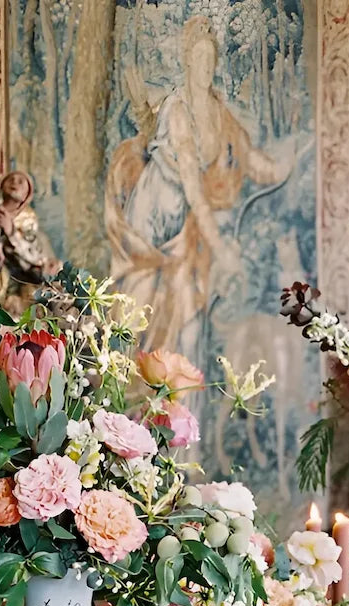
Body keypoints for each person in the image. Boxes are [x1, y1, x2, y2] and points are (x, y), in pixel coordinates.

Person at [106, 16, 290, 360]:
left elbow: (249, 157)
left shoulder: (218, 110)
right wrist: (221, 248)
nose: (206, 67)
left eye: (211, 59)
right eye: (199, 59)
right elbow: (192, 186)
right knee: (139, 310)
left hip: (188, 219)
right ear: (188, 61)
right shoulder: (178, 111)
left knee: (186, 312)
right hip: (156, 216)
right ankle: (127, 386)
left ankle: (178, 394)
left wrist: (288, 163)